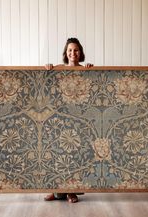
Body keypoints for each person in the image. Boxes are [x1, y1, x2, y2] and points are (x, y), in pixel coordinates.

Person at [44, 37, 93, 203]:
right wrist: (48, 68)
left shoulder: (86, 69)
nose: (73, 53)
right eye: (70, 50)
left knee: (73, 154)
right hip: (60, 117)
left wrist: (90, 69)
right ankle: (57, 191)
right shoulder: (58, 69)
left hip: (77, 116)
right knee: (58, 154)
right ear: (66, 53)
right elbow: (47, 83)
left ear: (81, 52)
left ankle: (71, 192)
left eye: (76, 50)